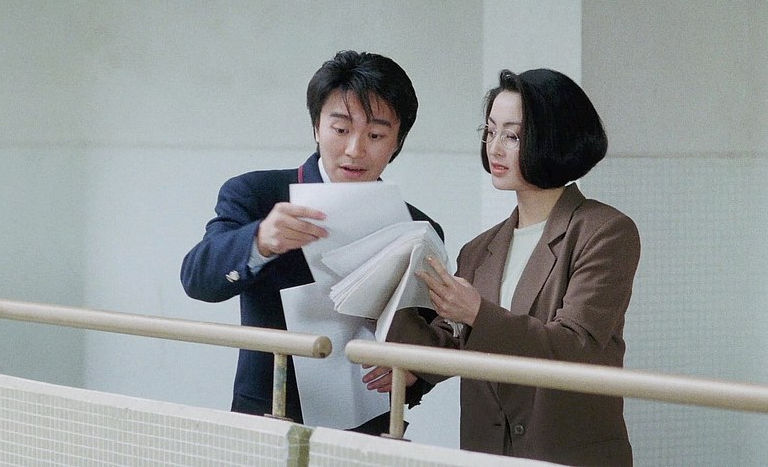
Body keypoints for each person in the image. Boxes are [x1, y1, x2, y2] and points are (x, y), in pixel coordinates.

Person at [366, 68, 640, 464]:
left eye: (512, 136)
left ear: (554, 139)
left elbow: (574, 345)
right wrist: (415, 365)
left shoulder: (605, 231)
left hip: (565, 452)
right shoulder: (480, 249)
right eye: (490, 131)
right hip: (487, 452)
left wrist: (477, 312)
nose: (494, 148)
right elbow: (451, 337)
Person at [180, 50, 443, 435]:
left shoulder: (417, 226)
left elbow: (431, 333)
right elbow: (197, 279)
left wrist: (416, 372)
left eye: (375, 135)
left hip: (371, 427)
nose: (355, 150)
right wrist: (260, 240)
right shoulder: (258, 194)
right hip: (268, 418)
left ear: (397, 142)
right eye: (341, 130)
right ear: (317, 127)